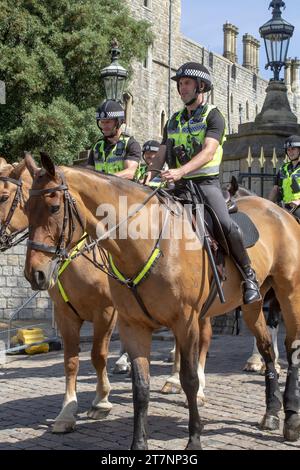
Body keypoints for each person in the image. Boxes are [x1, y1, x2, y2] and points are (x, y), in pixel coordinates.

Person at [151, 61, 261, 304]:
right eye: (179, 84)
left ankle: (249, 275)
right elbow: (160, 154)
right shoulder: (173, 120)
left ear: (201, 86)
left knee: (224, 223)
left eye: (186, 83)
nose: (182, 88)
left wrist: (181, 171)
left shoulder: (214, 116)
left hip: (205, 184)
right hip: (176, 186)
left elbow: (208, 152)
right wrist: (147, 178)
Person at [87, 100, 140, 180]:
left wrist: (103, 179)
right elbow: (89, 172)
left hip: (125, 191)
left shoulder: (131, 144)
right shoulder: (97, 147)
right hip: (101, 191)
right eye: (102, 122)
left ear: (118, 122)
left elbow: (129, 173)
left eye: (108, 122)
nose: (104, 126)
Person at [269, 135, 300, 221]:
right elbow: (275, 189)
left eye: (293, 149)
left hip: (298, 206)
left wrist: (298, 201)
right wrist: (267, 203)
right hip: (284, 206)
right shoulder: (283, 168)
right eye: (288, 150)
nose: (290, 152)